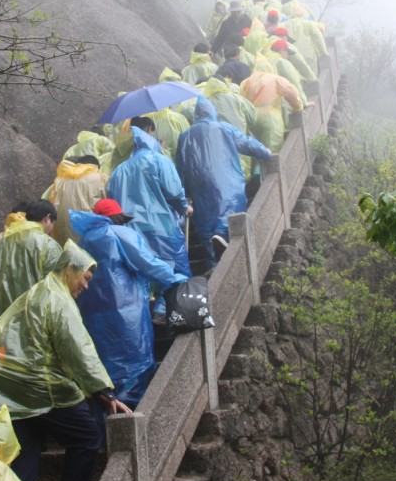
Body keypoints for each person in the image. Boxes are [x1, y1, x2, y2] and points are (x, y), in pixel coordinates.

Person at [0, 241, 130, 481]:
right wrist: (103, 390)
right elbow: (76, 347)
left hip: (15, 394)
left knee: (25, 460)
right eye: (86, 278)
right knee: (88, 438)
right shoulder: (57, 298)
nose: (86, 286)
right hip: (44, 389)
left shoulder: (36, 293)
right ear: (69, 269)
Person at [70, 201, 188, 409]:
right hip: (126, 312)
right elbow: (146, 263)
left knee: (107, 368)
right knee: (135, 365)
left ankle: (110, 418)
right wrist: (176, 278)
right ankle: (134, 415)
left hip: (92, 317)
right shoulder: (118, 234)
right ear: (116, 217)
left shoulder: (82, 243)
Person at [175, 97, 271, 271]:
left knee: (204, 226)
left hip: (200, 186)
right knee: (231, 208)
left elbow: (180, 167)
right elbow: (246, 142)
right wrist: (264, 152)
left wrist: (185, 192)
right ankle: (222, 234)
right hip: (226, 180)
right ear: (212, 112)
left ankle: (213, 267)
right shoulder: (223, 128)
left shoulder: (184, 136)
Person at [107, 124, 193, 319]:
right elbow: (174, 190)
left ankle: (149, 312)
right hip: (161, 225)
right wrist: (183, 207)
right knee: (174, 268)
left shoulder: (118, 171)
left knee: (143, 272)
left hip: (131, 232)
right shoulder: (158, 159)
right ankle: (170, 311)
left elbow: (112, 199)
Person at [0, 199, 62, 355]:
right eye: (53, 223)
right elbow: (56, 287)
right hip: (31, 317)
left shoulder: (2, 240)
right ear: (47, 218)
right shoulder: (48, 245)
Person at [47, 155, 108, 246]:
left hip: (61, 238)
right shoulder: (101, 178)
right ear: (96, 167)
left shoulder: (60, 180)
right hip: (87, 237)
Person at [240, 69, 306, 153]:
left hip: (252, 117)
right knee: (273, 150)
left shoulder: (246, 82)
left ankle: (259, 165)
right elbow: (290, 92)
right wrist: (298, 108)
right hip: (270, 117)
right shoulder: (274, 78)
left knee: (258, 150)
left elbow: (242, 100)